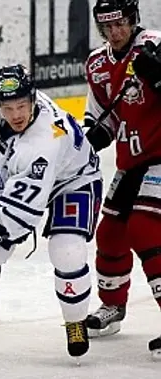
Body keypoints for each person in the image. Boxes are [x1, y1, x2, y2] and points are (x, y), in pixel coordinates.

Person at [0, 65, 103, 358]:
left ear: (34, 100)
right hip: (18, 177)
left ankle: (75, 321)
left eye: (22, 106)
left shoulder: (44, 142)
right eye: (8, 107)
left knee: (67, 251)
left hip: (73, 180)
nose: (16, 115)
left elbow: (22, 211)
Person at [82, 0, 161, 355]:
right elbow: (101, 121)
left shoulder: (155, 45)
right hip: (131, 161)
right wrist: (86, 142)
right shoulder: (97, 64)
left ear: (134, 20)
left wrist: (158, 75)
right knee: (110, 232)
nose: (115, 32)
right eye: (107, 26)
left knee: (143, 229)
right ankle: (113, 307)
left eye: (121, 24)